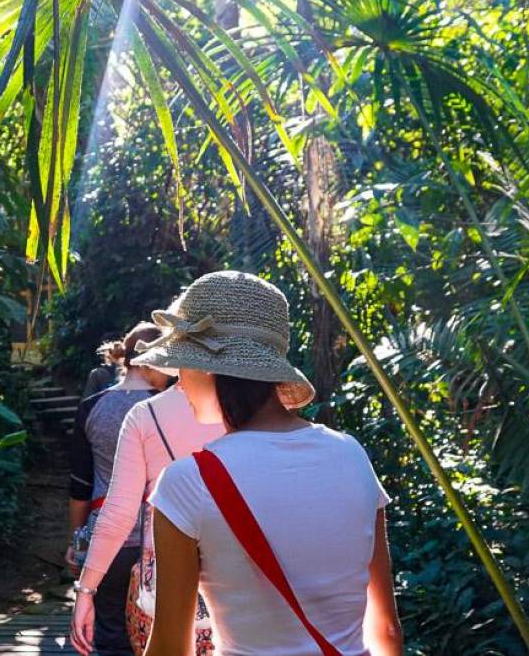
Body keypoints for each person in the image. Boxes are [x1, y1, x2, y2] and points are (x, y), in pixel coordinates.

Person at [137, 270, 402, 655]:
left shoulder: (188, 483)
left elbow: (170, 648)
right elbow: (387, 631)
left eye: (182, 365)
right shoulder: (352, 455)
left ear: (209, 368)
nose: (178, 382)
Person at [70, 300, 227, 655]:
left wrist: (84, 583)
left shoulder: (136, 414)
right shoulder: (245, 415)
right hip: (233, 572)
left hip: (152, 564)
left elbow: (105, 500)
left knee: (122, 641)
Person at [67, 323, 172, 655]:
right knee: (162, 633)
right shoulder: (168, 407)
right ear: (151, 361)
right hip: (163, 540)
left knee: (111, 635)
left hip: (106, 539)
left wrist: (77, 540)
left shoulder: (91, 406)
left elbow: (80, 485)